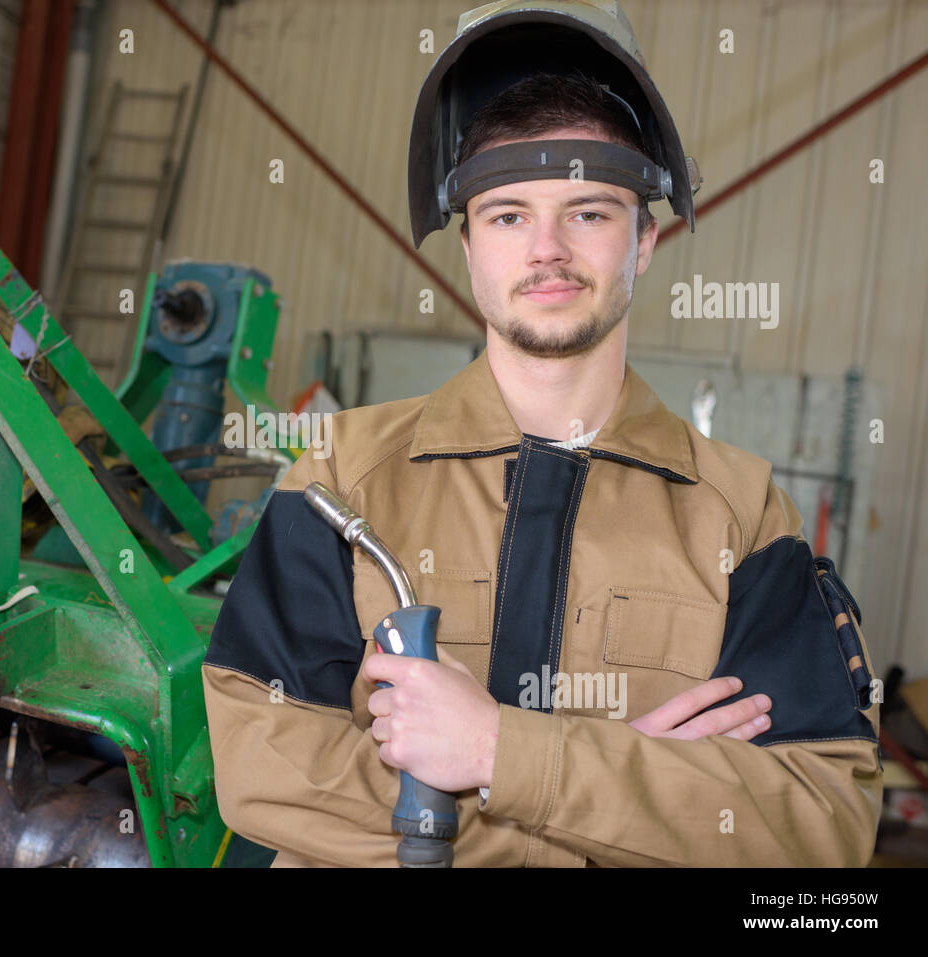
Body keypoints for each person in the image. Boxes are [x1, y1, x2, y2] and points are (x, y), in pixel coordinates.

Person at [202, 0, 881, 867]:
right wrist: (604, 801)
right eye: (509, 214)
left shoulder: (741, 516)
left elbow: (822, 829)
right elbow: (263, 770)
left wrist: (495, 753)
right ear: (470, 247)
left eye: (590, 212)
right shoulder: (342, 480)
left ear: (644, 240)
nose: (547, 249)